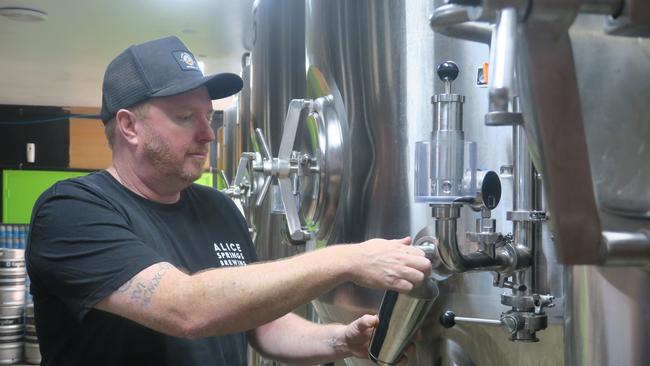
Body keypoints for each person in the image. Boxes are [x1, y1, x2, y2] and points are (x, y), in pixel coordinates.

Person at [26, 36, 431, 366]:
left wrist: (339, 340)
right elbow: (185, 310)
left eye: (209, 116)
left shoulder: (218, 208)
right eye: (186, 117)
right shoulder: (71, 212)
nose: (208, 134)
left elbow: (262, 327)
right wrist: (348, 259)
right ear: (129, 126)